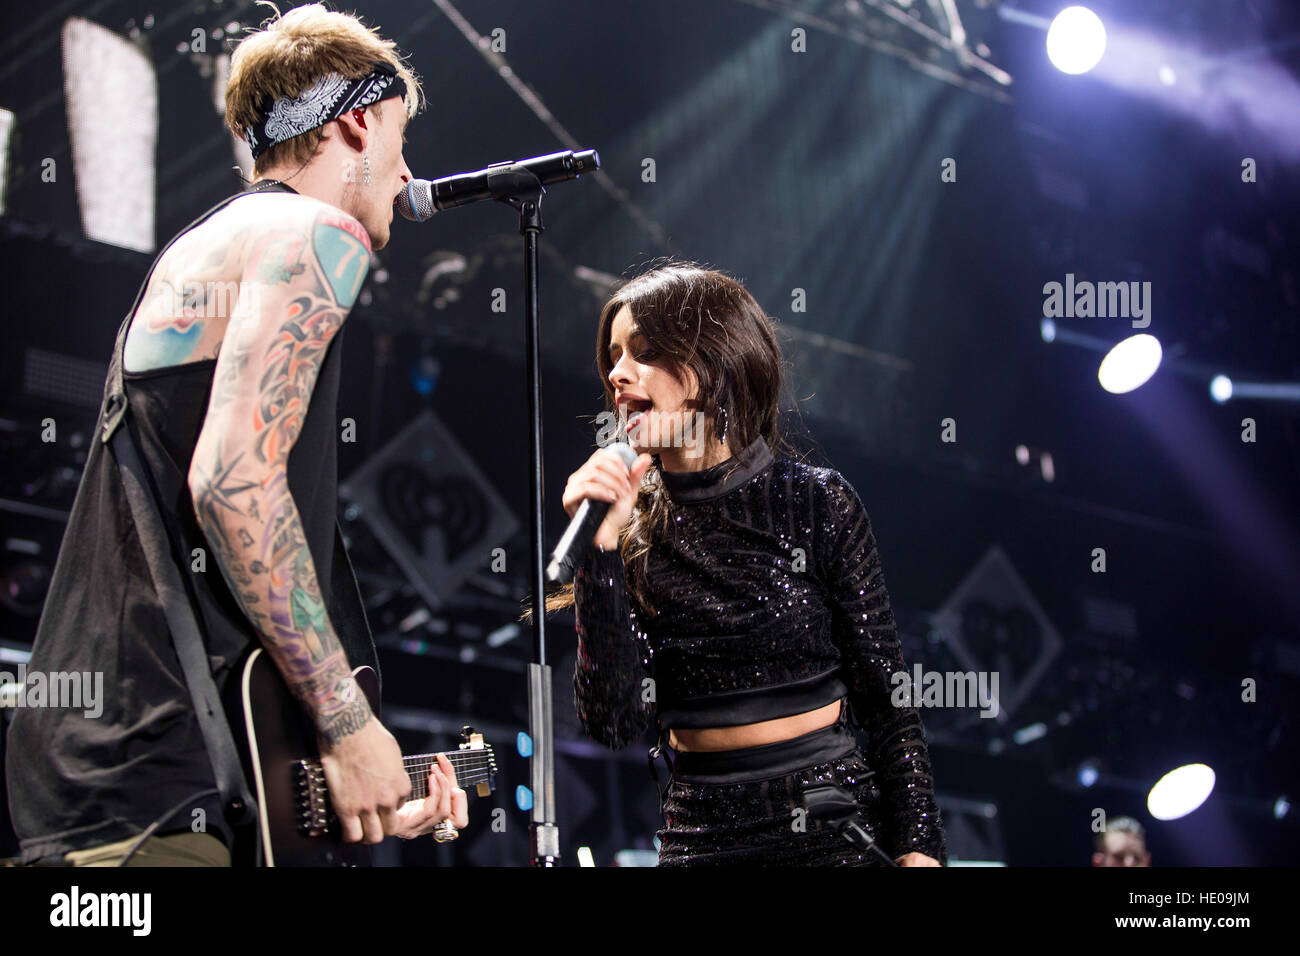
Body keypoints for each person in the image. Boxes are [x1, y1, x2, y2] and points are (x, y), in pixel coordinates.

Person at [5, 3, 467, 866]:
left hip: (118, 778)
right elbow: (232, 482)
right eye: (401, 142)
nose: (408, 178)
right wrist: (346, 719)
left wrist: (352, 784)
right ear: (358, 121)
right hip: (160, 790)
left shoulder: (208, 246)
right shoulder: (312, 235)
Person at [554, 262, 946, 865]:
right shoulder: (628, 530)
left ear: (713, 364)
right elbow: (612, 723)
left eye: (646, 352)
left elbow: (888, 699)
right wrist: (599, 553)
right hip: (700, 835)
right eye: (612, 357)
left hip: (831, 819)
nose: (617, 374)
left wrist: (919, 846)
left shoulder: (814, 500)